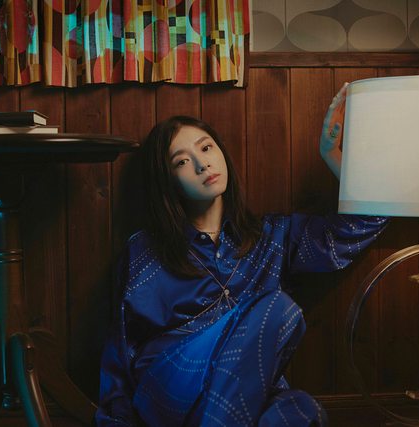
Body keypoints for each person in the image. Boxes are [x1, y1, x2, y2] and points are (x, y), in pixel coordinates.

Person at [96, 84, 387, 426]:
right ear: (168, 181)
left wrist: (331, 155)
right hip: (169, 386)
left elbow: (364, 223)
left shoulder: (272, 236)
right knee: (276, 307)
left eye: (206, 147)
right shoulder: (146, 250)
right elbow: (122, 347)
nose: (202, 164)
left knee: (301, 411)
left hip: (239, 396)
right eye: (182, 162)